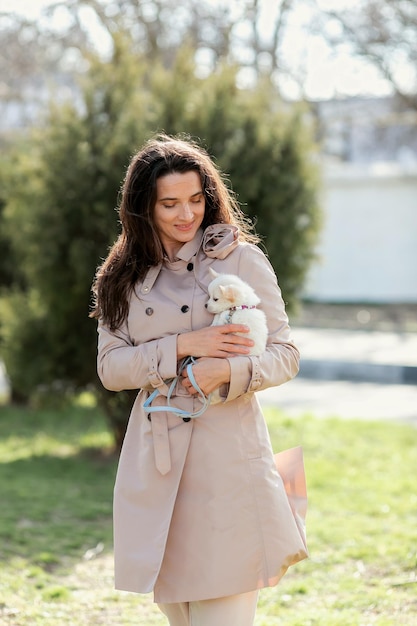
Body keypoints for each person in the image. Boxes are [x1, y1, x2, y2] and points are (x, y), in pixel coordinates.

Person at [90, 134, 307, 626]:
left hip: (228, 461)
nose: (186, 215)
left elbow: (286, 354)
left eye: (195, 200)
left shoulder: (241, 260)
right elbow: (111, 369)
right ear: (143, 207)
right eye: (170, 203)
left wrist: (224, 370)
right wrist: (185, 347)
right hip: (157, 465)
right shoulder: (121, 276)